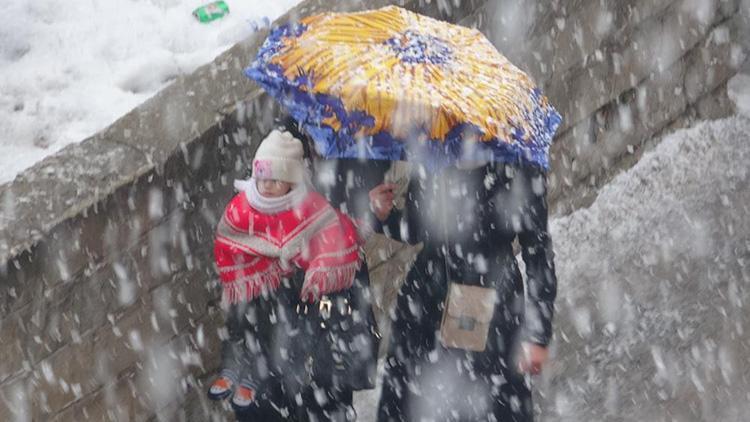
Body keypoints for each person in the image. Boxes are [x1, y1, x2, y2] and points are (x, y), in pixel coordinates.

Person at [370, 159, 558, 421]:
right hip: (427, 302)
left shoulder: (515, 160)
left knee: (488, 405)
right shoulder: (434, 155)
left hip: (493, 304)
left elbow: (538, 252)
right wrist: (384, 216)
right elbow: (416, 227)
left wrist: (538, 333)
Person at [208, 129, 375, 421]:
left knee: (319, 385)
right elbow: (232, 242)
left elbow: (338, 232)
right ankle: (248, 373)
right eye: (264, 179)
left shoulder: (318, 200)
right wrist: (270, 265)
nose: (268, 186)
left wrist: (301, 266)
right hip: (270, 315)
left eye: (276, 181)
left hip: (316, 314)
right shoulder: (249, 203)